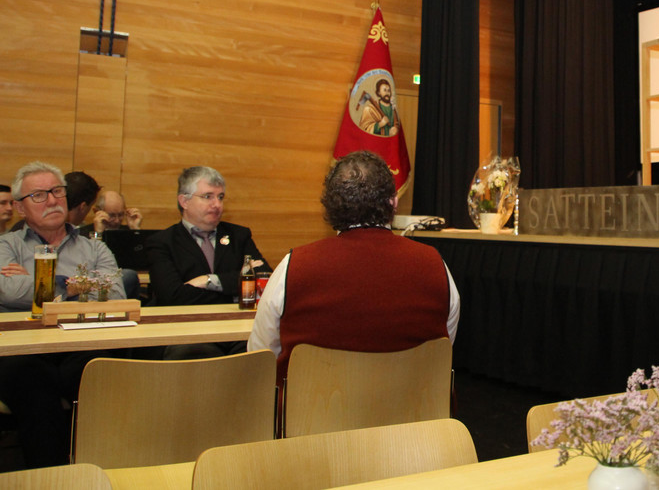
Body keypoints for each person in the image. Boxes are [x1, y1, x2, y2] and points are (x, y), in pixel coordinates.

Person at [248, 150, 459, 383]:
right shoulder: (436, 265)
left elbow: (261, 357)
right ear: (394, 202)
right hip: (414, 404)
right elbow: (443, 346)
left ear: (330, 206)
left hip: (315, 404)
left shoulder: (293, 267)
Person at [0, 162, 126, 468]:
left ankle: (100, 471)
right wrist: (74, 285)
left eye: (57, 191)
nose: (52, 201)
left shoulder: (94, 249)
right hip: (24, 349)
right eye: (39, 195)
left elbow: (115, 295)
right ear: (20, 207)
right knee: (32, 385)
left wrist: (37, 282)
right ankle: (52, 478)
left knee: (102, 373)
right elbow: (7, 290)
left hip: (81, 344)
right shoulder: (6, 245)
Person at [147, 166, 265, 358]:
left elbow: (262, 279)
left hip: (236, 329)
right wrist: (233, 293)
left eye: (220, 197)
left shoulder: (239, 236)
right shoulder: (162, 243)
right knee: (195, 353)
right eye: (208, 196)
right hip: (188, 332)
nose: (217, 204)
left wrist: (209, 281)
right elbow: (172, 297)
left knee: (261, 351)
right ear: (184, 201)